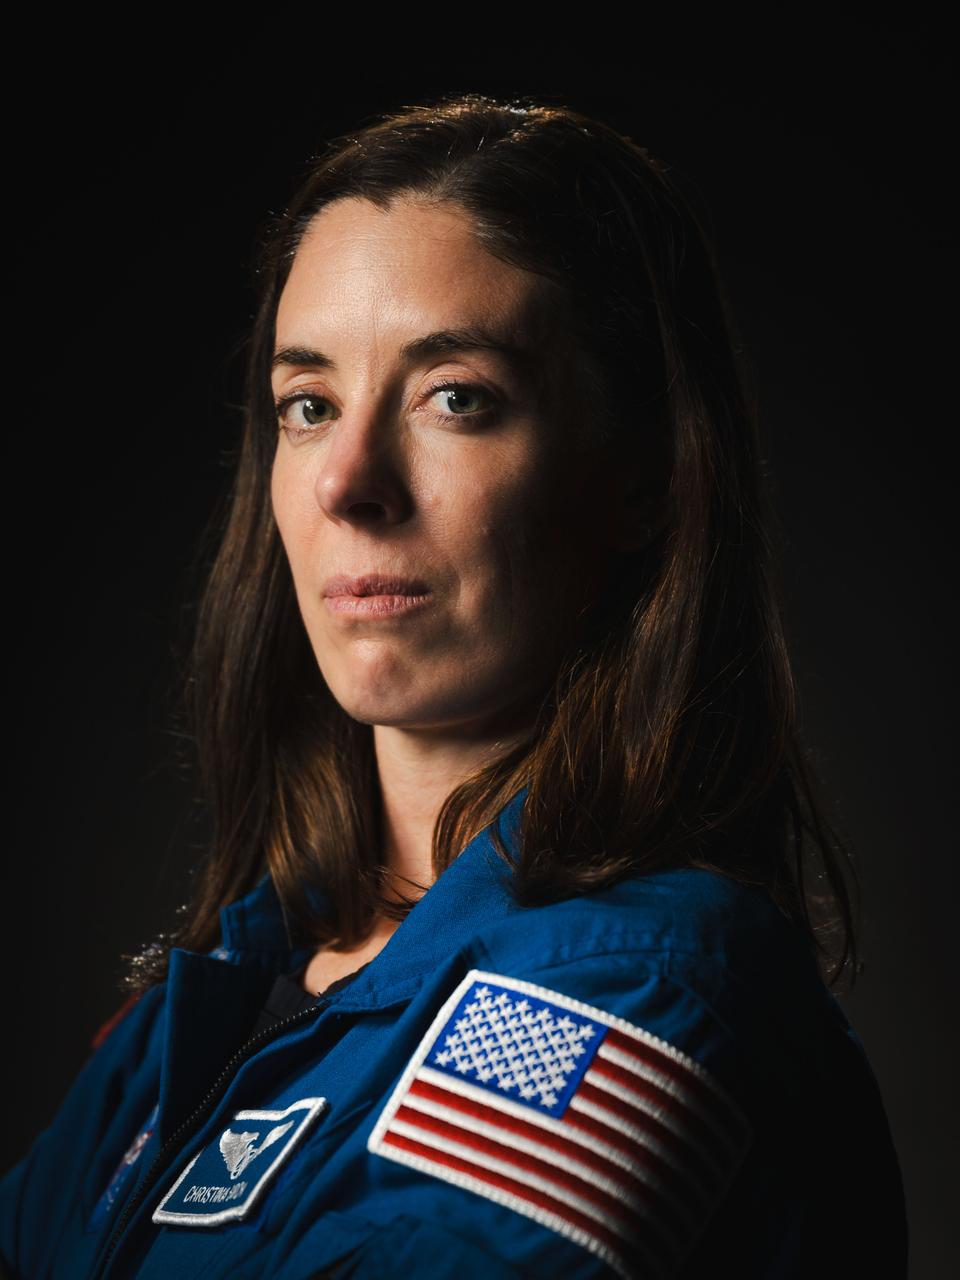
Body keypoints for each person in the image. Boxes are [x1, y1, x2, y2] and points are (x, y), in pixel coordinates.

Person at [0, 92, 908, 1279]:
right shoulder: (228, 982)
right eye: (309, 404)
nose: (350, 481)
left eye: (455, 396)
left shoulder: (633, 990)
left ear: (639, 476)